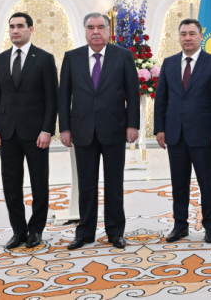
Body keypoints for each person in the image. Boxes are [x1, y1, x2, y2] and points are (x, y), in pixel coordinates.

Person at [58, 13, 140, 250]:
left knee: (114, 184)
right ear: (84, 31)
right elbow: (64, 96)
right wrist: (64, 127)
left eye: (101, 27)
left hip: (114, 129)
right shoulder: (72, 57)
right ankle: (84, 233)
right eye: (91, 27)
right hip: (82, 130)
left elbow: (132, 94)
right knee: (86, 185)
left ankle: (115, 232)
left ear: (108, 31)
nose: (96, 31)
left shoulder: (123, 56)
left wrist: (132, 124)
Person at [0, 12, 58, 250]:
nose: (15, 30)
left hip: (36, 133)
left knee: (39, 184)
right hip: (7, 133)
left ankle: (36, 230)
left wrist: (47, 130)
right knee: (11, 184)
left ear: (31, 29)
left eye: (20, 26)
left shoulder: (44, 59)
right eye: (11, 27)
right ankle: (19, 231)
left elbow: (52, 99)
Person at [154, 19, 211, 244]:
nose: (187, 37)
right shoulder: (169, 63)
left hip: (204, 135)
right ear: (179, 36)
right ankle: (180, 225)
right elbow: (162, 99)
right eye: (183, 33)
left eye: (192, 33)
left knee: (207, 183)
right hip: (175, 134)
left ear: (200, 36)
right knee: (179, 183)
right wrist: (159, 129)